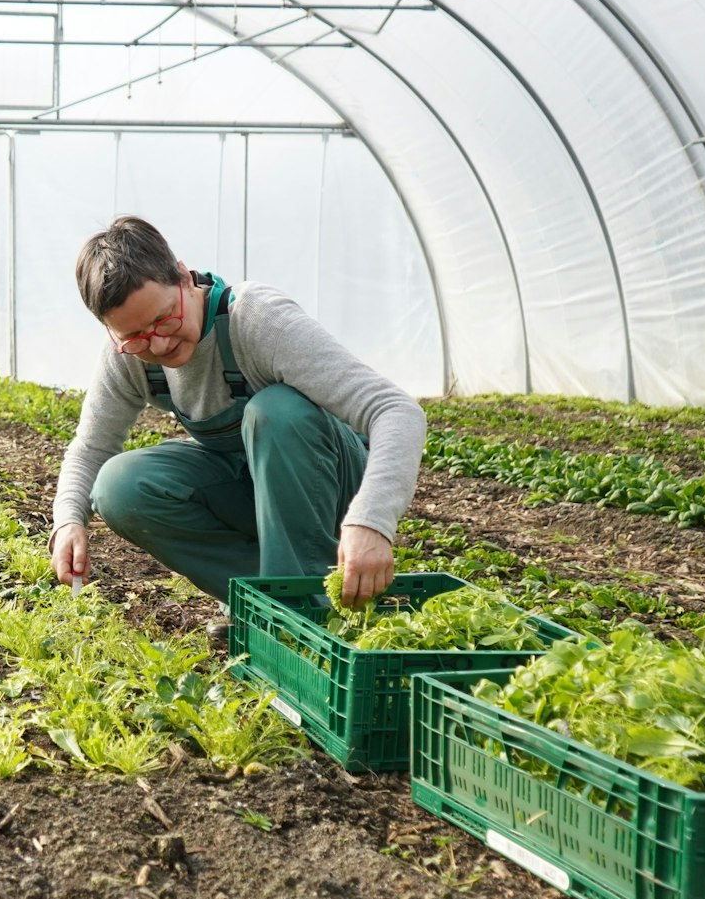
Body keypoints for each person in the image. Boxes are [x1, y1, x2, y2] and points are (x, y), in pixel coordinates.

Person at [48, 216, 426, 617]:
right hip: (255, 489)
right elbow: (92, 447)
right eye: (134, 337)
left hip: (331, 484)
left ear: (183, 278)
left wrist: (370, 520)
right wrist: (68, 520)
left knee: (276, 411)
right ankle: (269, 600)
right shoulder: (128, 359)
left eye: (164, 319)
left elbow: (396, 410)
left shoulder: (256, 321)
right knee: (120, 486)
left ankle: (309, 606)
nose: (157, 343)